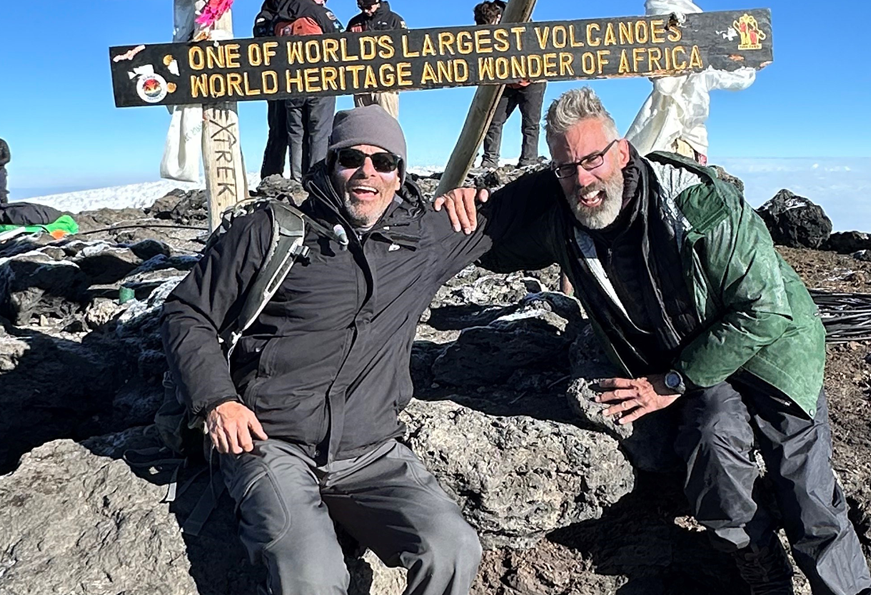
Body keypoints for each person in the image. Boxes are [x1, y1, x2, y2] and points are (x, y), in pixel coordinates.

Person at [434, 87, 871, 595]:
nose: (583, 180)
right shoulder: (566, 220)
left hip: (772, 352)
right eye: (566, 168)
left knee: (806, 489)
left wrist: (670, 381)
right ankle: (763, 575)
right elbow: (501, 253)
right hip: (694, 360)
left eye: (593, 159)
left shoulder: (698, 204)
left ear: (622, 152)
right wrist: (464, 210)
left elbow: (764, 310)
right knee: (711, 449)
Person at [162, 105, 492, 595]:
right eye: (351, 158)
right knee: (313, 576)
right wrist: (217, 400)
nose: (367, 173)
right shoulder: (268, 231)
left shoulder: (424, 238)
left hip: (371, 449)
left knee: (453, 547)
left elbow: (533, 207)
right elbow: (187, 313)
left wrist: (475, 196)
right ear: (328, 164)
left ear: (400, 175)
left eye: (384, 162)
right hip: (270, 440)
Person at [275, 0, 344, 182]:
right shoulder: (317, 12)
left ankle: (297, 180)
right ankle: (316, 179)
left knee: (295, 135)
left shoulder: (279, 18)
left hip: (291, 84)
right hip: (319, 81)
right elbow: (343, 38)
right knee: (320, 133)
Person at [473, 0, 544, 170]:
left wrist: (530, 74)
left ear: (498, 17)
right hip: (504, 82)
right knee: (493, 121)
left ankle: (528, 161)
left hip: (533, 81)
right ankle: (490, 161)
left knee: (530, 123)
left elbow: (539, 48)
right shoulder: (483, 32)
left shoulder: (523, 22)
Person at [346, 0, 406, 119]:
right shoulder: (354, 23)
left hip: (386, 83)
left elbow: (404, 49)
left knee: (387, 123)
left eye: (369, 7)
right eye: (362, 8)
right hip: (361, 83)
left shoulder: (394, 20)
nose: (366, 11)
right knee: (364, 123)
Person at [255, 0, 289, 179]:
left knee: (296, 130)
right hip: (275, 81)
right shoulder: (266, 17)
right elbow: (261, 42)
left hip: (288, 79)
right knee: (278, 130)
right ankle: (271, 174)